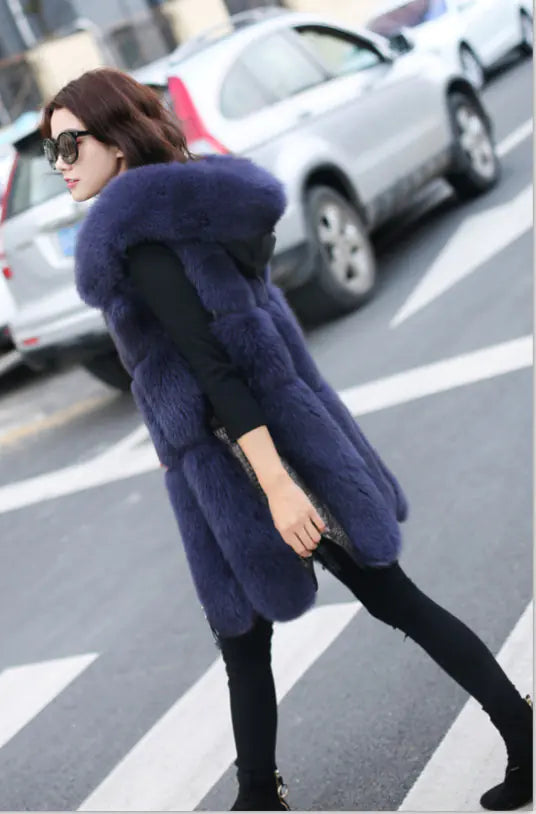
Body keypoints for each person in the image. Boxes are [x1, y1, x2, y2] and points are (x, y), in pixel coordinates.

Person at [40, 67, 533, 811]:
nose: (61, 163)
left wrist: (277, 486)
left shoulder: (140, 242)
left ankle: (521, 732)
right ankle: (258, 796)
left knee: (387, 600)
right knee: (245, 635)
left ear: (117, 138)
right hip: (246, 452)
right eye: (51, 150)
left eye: (70, 143)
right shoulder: (195, 210)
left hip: (250, 456)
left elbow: (217, 366)